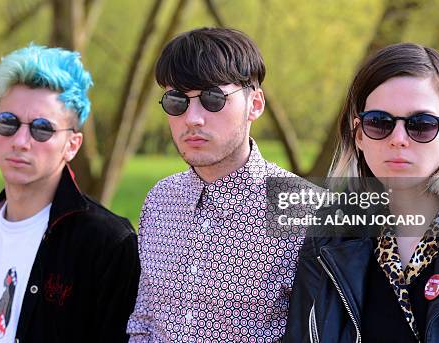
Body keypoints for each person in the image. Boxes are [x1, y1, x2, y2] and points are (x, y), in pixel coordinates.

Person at [285, 42, 439, 342]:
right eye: (379, 123)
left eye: (421, 125)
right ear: (359, 136)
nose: (398, 139)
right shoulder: (328, 235)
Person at [126, 27, 306, 341]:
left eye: (212, 98)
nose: (193, 118)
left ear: (255, 104)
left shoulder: (301, 208)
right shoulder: (160, 200)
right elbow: (143, 323)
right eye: (177, 101)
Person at [0, 45, 140, 342]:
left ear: (72, 145)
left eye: (42, 129)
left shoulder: (107, 243)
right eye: (8, 123)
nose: (21, 141)